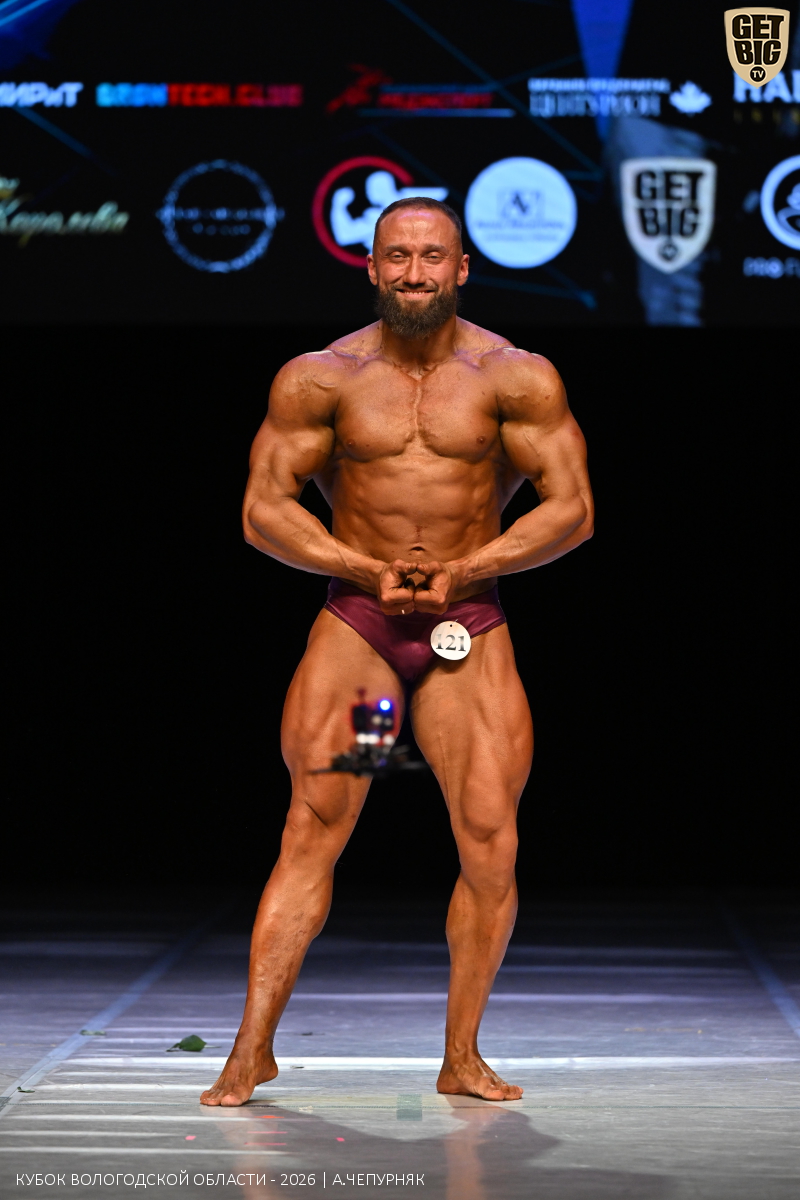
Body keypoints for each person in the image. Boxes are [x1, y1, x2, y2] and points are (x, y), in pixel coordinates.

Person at [200, 197, 593, 1106]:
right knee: (314, 827)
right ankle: (250, 1050)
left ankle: (462, 1056)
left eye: (432, 257)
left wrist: (468, 568)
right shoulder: (321, 379)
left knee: (489, 842)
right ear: (371, 268)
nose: (415, 273)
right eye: (398, 257)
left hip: (468, 630)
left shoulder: (516, 378)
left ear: (462, 269)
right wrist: (362, 568)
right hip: (361, 630)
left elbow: (573, 510)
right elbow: (262, 511)